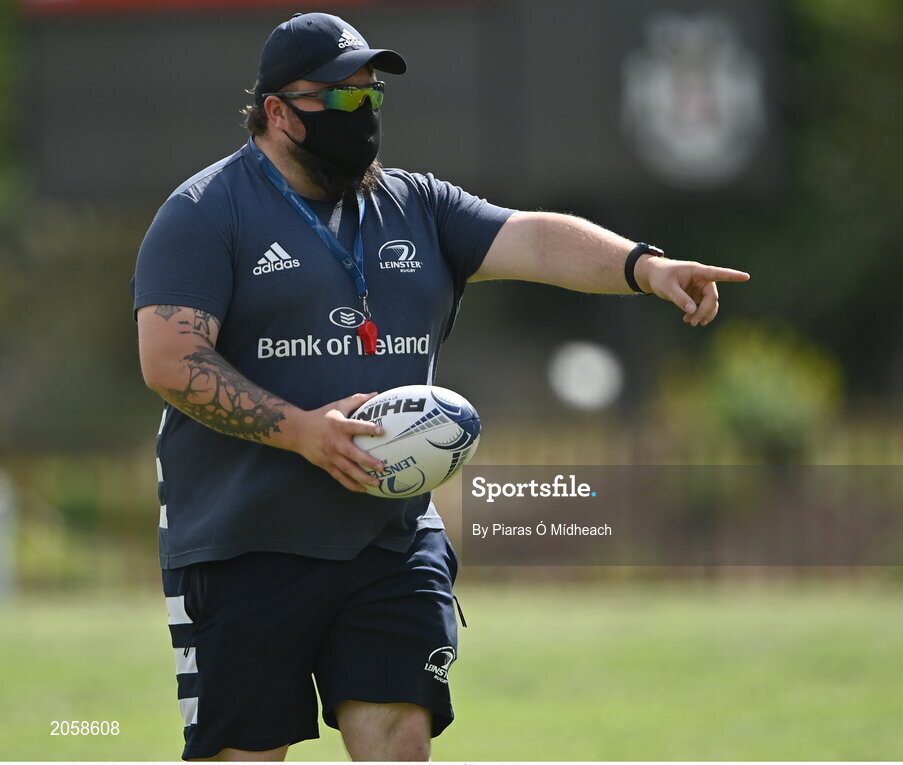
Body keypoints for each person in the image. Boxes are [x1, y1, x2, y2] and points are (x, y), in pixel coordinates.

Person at [132, 11, 749, 762]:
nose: (365, 117)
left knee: (400, 736)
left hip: (387, 539)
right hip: (244, 543)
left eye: (373, 99)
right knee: (245, 754)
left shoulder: (414, 205)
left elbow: (532, 236)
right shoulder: (204, 213)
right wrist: (302, 430)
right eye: (344, 100)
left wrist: (643, 267)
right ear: (277, 112)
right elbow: (169, 360)